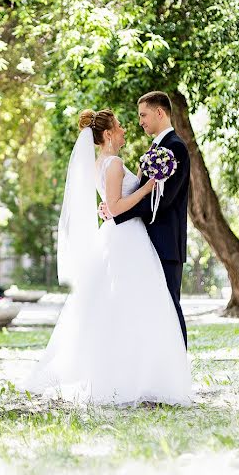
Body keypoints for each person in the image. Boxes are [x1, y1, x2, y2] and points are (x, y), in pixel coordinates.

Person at [20, 108, 191, 405]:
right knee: (136, 303)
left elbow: (111, 204)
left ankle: (139, 372)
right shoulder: (113, 163)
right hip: (127, 238)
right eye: (121, 125)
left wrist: (134, 184)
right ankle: (134, 375)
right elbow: (116, 205)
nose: (126, 128)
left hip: (121, 235)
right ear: (109, 133)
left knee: (124, 304)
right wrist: (149, 186)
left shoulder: (102, 163)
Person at [100, 92, 190, 347]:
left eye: (143, 115)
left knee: (170, 308)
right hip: (146, 242)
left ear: (159, 113)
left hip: (166, 242)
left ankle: (178, 371)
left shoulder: (175, 147)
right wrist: (112, 206)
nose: (140, 121)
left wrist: (117, 212)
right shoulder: (156, 149)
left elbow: (162, 201)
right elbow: (141, 191)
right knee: (154, 312)